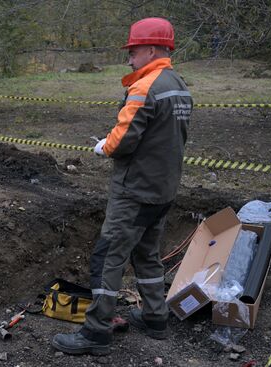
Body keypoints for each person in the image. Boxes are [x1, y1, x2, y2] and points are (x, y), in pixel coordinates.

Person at [53, 17, 193, 355]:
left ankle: (96, 333)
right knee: (147, 254)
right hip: (163, 189)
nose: (129, 58)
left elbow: (123, 140)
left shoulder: (145, 87)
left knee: (107, 259)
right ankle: (155, 317)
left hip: (134, 191)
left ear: (150, 49)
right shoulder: (179, 85)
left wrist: (104, 146)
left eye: (132, 51)